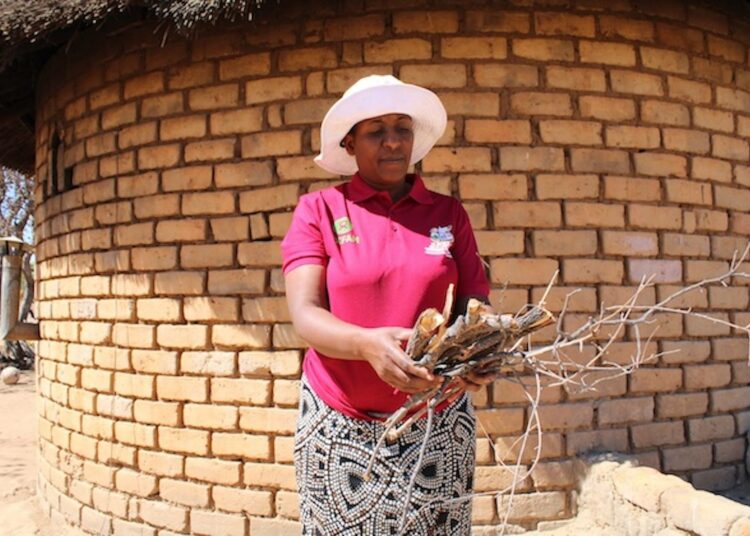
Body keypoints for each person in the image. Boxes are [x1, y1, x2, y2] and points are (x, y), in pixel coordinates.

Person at [281, 75, 493, 535]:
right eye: (376, 131)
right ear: (350, 143)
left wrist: (480, 351)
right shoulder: (319, 211)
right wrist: (364, 344)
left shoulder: (447, 214)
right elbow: (305, 314)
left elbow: (476, 299)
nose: (393, 141)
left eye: (402, 128)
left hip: (438, 422)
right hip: (340, 423)